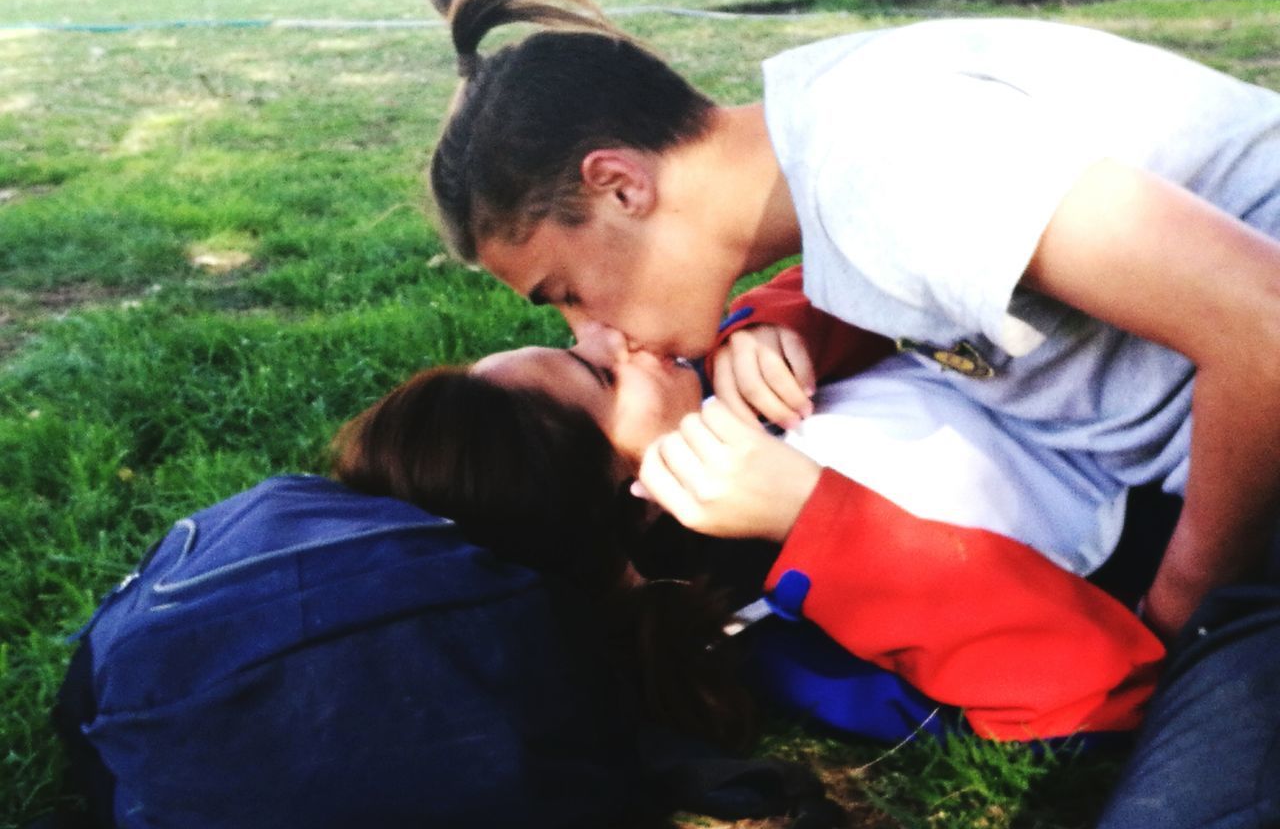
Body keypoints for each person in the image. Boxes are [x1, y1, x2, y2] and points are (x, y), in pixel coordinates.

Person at [424, 0, 1280, 647]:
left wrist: (1183, 607)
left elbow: (1266, 323)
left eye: (568, 294)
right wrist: (767, 321)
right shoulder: (824, 141)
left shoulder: (890, 168)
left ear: (618, 185)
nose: (597, 333)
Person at [334, 278, 1166, 743]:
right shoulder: (797, 632)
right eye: (597, 376)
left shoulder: (731, 393)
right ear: (643, 501)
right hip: (1184, 493)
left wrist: (766, 323)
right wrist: (818, 521)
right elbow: (1098, 688)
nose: (605, 335)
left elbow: (891, 282)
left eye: (568, 342)